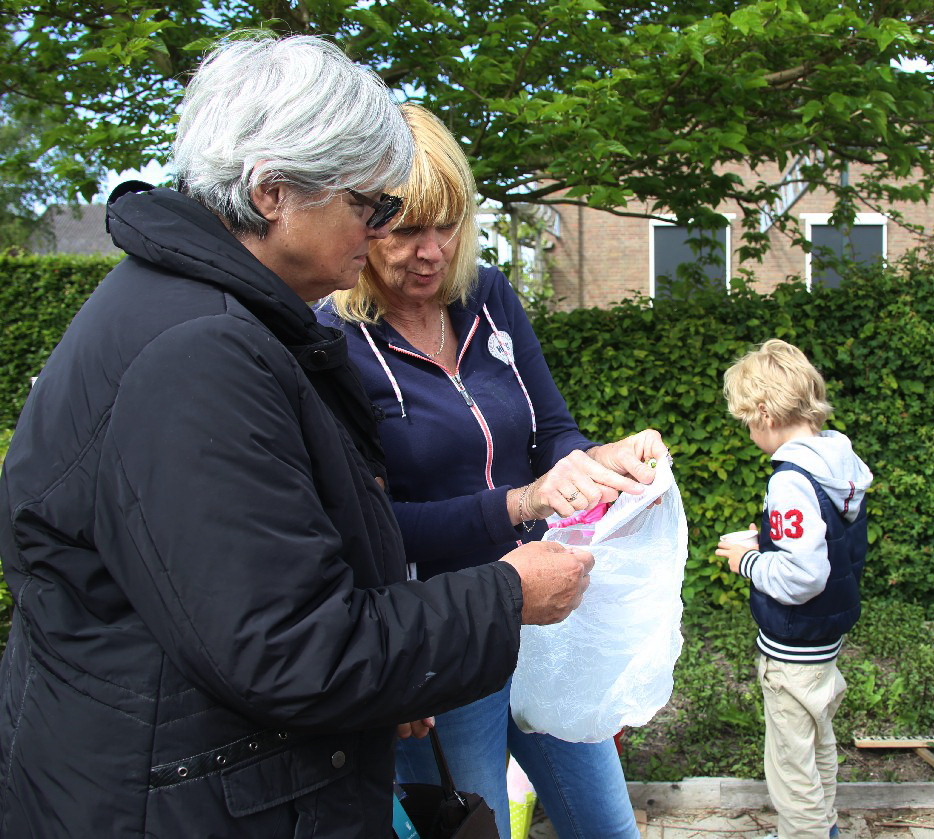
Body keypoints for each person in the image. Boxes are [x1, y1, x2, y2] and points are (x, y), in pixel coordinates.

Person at [0, 35, 594, 839]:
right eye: (369, 207)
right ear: (273, 191)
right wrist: (505, 595)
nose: (380, 231)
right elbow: (291, 648)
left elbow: (266, 589)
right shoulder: (198, 353)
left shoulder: (207, 316)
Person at [317, 103, 668, 839]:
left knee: (609, 828)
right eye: (407, 230)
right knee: (477, 828)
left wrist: (597, 462)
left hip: (543, 617)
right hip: (439, 640)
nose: (432, 252)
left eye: (448, 225)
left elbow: (552, 431)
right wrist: (518, 504)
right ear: (363, 221)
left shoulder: (489, 295)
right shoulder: (333, 340)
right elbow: (368, 526)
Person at [714, 339, 873, 839]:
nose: (749, 433)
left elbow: (804, 576)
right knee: (817, 745)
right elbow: (822, 542)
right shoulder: (836, 460)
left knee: (790, 767)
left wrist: (747, 561)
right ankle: (825, 828)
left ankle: (804, 833)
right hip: (825, 641)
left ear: (764, 413)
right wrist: (767, 541)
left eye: (747, 422)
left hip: (793, 647)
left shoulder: (790, 481)